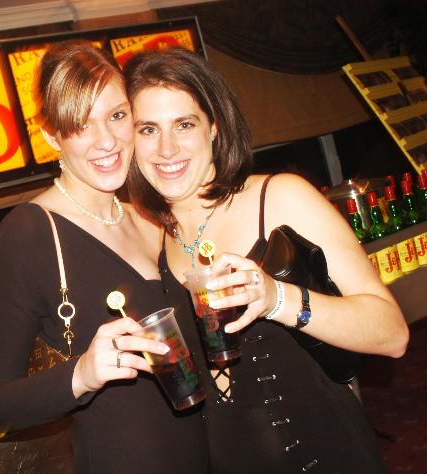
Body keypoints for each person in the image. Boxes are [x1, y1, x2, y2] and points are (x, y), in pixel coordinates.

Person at [123, 47, 409, 473]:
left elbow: (392, 334)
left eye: (184, 124)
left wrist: (278, 298)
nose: (167, 148)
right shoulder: (150, 234)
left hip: (324, 456)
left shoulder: (280, 197)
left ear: (214, 128)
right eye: (148, 129)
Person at [0, 40, 209, 474]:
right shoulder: (30, 234)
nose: (107, 141)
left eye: (117, 116)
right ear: (51, 136)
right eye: (81, 125)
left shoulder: (150, 214)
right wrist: (82, 374)